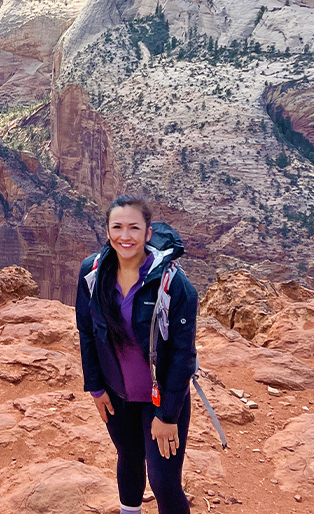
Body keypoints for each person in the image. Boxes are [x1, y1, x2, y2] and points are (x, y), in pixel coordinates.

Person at [75, 195, 198, 514]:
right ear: (107, 231)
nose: (124, 236)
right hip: (117, 394)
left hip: (160, 400)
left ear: (147, 233)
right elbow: (87, 332)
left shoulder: (176, 286)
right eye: (117, 227)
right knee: (129, 458)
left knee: (163, 481)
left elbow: (183, 356)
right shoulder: (93, 272)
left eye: (134, 228)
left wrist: (167, 416)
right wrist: (96, 387)